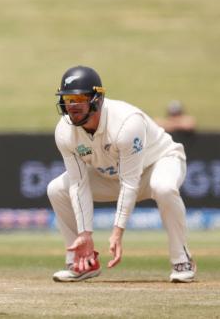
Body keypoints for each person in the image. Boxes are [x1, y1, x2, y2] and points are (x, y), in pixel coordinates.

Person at [47, 66, 196, 283]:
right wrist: (85, 234)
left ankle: (182, 260)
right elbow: (78, 184)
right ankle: (81, 261)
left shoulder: (126, 123)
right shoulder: (64, 131)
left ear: (96, 99)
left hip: (159, 163)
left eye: (79, 98)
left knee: (163, 187)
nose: (72, 106)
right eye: (68, 99)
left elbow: (130, 182)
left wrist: (117, 232)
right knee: (56, 189)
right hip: (112, 177)